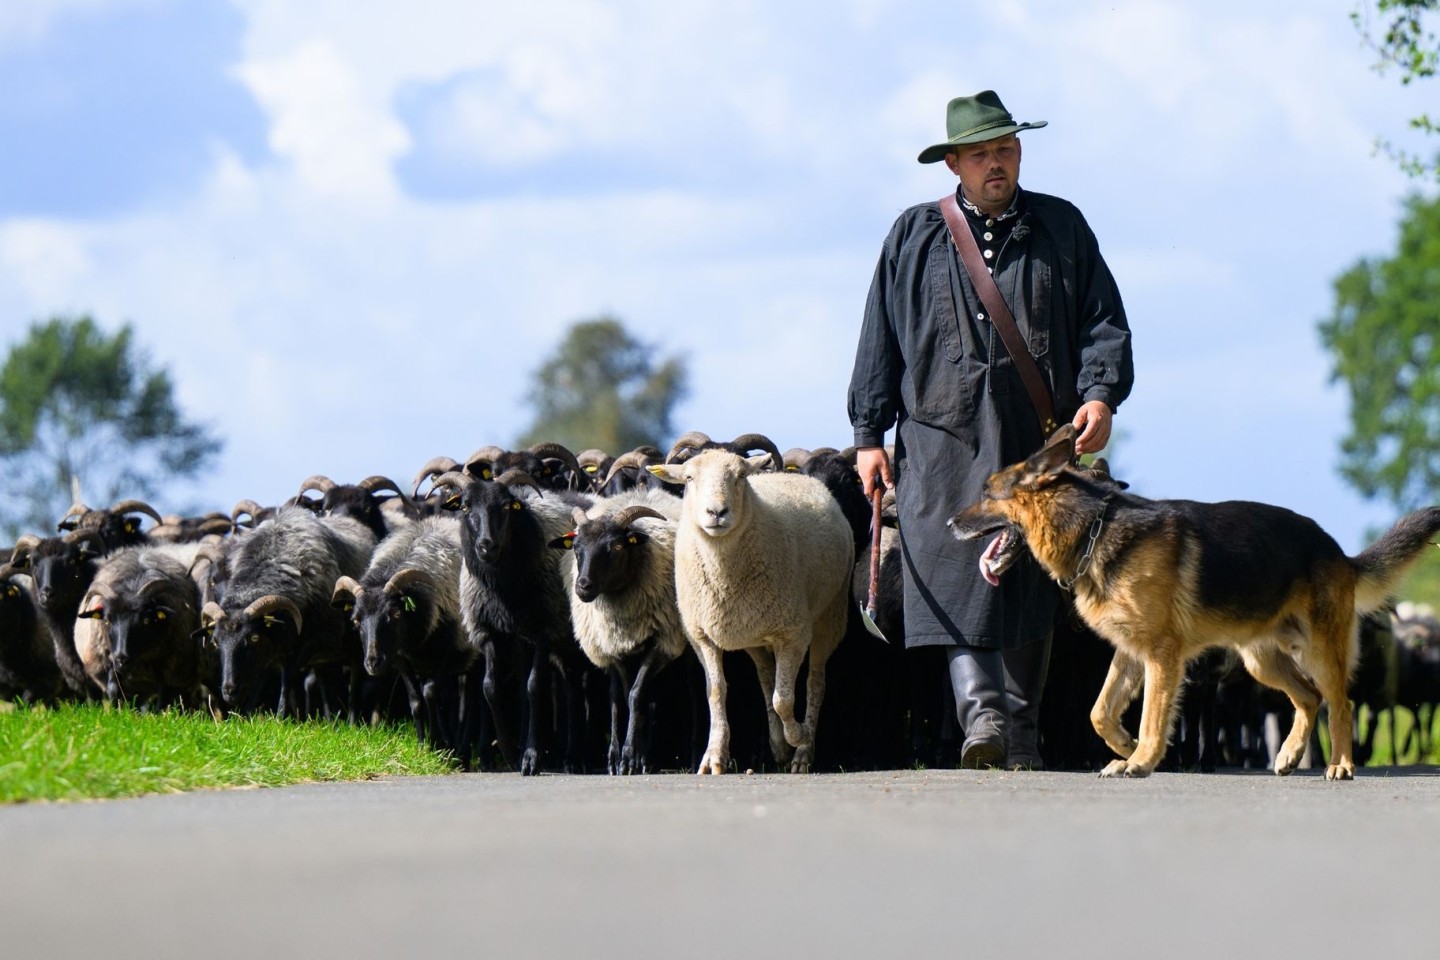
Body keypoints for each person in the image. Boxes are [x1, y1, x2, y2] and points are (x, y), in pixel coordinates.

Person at [847, 90, 1134, 770]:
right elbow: (878, 338)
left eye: (1004, 150)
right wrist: (867, 434)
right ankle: (983, 722)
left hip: (1037, 443)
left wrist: (1099, 395)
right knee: (951, 568)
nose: (996, 164)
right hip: (939, 440)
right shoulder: (911, 236)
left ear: (1020, 152)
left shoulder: (1063, 227)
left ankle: (1022, 729)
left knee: (1032, 576)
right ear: (953, 164)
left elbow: (1103, 320)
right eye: (981, 154)